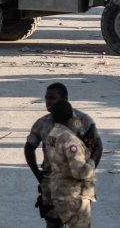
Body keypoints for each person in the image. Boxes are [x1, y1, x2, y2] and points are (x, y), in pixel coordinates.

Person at [24, 84, 103, 228]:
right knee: (53, 223)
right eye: (47, 98)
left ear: (65, 99)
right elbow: (29, 148)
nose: (48, 102)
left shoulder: (83, 121)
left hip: (77, 185)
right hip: (51, 183)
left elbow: (98, 145)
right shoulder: (43, 123)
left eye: (53, 98)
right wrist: (38, 174)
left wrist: (89, 171)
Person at [44, 100, 97, 228]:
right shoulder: (69, 139)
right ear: (71, 118)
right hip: (74, 197)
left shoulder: (52, 135)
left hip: (59, 193)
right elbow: (79, 172)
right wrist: (92, 160)